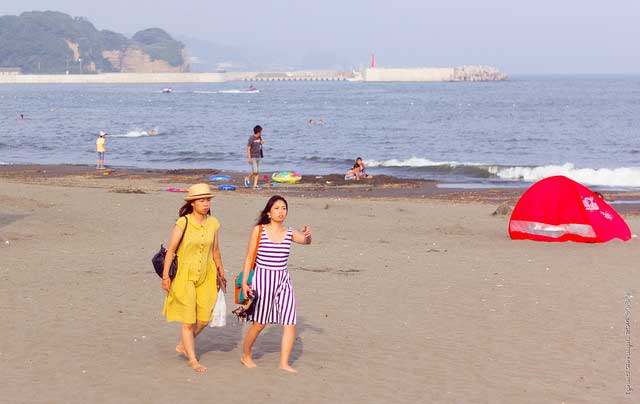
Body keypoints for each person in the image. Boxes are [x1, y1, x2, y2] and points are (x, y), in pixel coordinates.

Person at [240, 195, 312, 373]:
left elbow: (305, 241)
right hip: (263, 280)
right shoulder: (259, 230)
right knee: (260, 323)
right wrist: (244, 284)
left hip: (283, 280)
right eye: (277, 208)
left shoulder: (289, 232)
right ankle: (246, 354)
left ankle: (284, 363)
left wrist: (308, 236)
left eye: (284, 208)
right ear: (269, 213)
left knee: (290, 321)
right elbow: (249, 258)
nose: (281, 212)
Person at [161, 183, 226, 373]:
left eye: (208, 200)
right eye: (202, 200)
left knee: (204, 318)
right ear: (192, 203)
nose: (206, 203)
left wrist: (221, 273)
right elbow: (171, 250)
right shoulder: (184, 222)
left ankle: (183, 344)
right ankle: (192, 359)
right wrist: (166, 276)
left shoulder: (213, 223)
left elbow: (215, 250)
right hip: (184, 276)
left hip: (207, 274)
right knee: (188, 320)